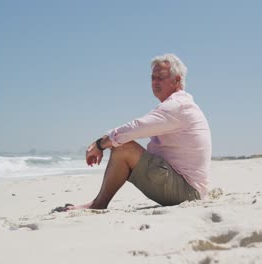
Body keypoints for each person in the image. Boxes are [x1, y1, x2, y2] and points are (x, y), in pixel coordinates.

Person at [68, 54, 212, 210]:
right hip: (187, 189)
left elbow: (136, 128)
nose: (155, 82)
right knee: (121, 143)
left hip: (187, 192)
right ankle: (99, 203)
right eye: (153, 78)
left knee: (122, 147)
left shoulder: (177, 106)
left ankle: (98, 204)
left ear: (176, 80)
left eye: (160, 77)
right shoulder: (180, 104)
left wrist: (100, 144)